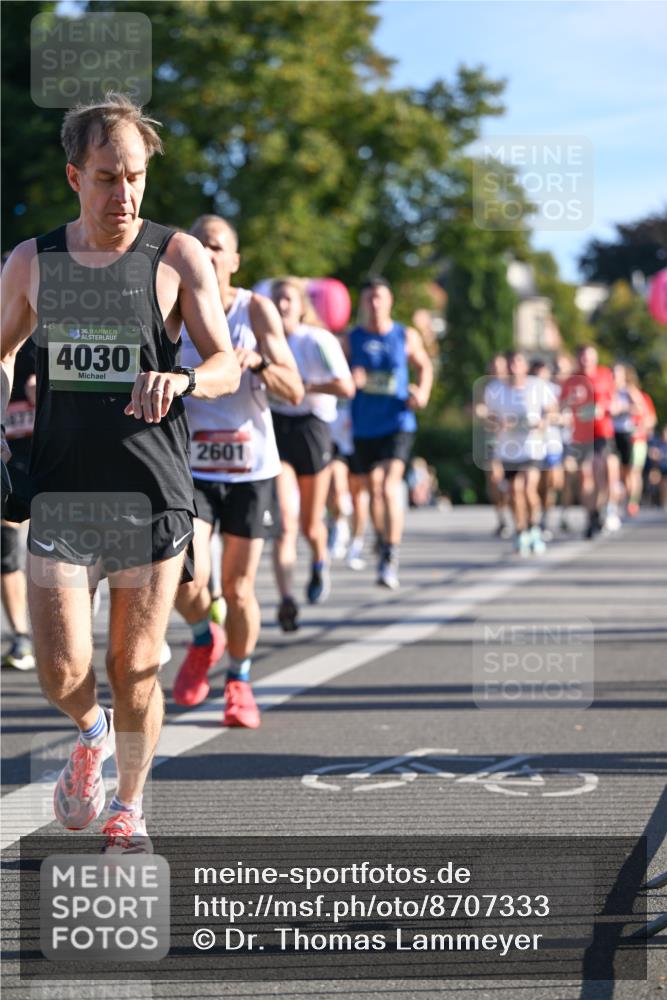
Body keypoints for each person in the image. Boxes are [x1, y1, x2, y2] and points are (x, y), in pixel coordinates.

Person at [0, 94, 240, 851]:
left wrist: (187, 381)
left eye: (135, 177)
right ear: (75, 177)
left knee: (135, 661)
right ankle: (90, 731)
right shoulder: (34, 260)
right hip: (64, 494)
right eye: (107, 178)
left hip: (151, 493)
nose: (124, 195)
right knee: (61, 668)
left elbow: (227, 363)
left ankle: (129, 806)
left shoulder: (175, 256)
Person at [171, 219, 303, 720]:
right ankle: (205, 637)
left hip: (251, 470)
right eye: (197, 244)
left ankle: (240, 680)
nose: (205, 251)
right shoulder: (172, 307)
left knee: (239, 588)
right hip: (194, 468)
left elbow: (296, 389)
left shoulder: (255, 309)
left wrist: (262, 363)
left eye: (216, 246)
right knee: (185, 577)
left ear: (233, 260)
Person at [270, 277, 354, 630]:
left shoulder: (316, 340)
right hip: (276, 426)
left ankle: (320, 560)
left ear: (302, 305)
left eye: (288, 299)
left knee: (309, 524)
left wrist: (305, 386)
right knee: (284, 522)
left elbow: (346, 386)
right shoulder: (264, 340)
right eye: (275, 300)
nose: (281, 306)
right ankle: (286, 598)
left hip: (313, 428)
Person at [347, 277, 432, 589]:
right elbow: (335, 376)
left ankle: (390, 555)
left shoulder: (405, 335)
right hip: (364, 425)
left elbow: (424, 366)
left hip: (398, 422)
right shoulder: (351, 339)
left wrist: (421, 392)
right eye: (368, 298)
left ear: (390, 301)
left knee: (386, 484)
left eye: (379, 297)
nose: (374, 303)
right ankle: (383, 539)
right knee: (373, 488)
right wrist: (348, 379)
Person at [485, 351, 558, 556]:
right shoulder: (495, 389)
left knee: (528, 488)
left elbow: (552, 410)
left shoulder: (537, 386)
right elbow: (488, 417)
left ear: (525, 366)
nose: (512, 367)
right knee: (514, 493)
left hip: (532, 448)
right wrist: (497, 423)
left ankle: (534, 526)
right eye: (509, 363)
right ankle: (520, 530)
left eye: (517, 363)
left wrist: (543, 422)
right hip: (507, 451)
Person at [1, 337, 36, 669]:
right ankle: (21, 636)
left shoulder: (60, 311)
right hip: (8, 452)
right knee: (6, 540)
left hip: (52, 452)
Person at [560, 346, 617, 538]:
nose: (586, 361)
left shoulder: (604, 374)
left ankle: (601, 508)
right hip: (581, 435)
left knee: (603, 472)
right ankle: (590, 516)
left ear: (595, 358)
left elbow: (615, 403)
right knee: (586, 476)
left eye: (589, 357)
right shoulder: (571, 380)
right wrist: (570, 401)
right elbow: (560, 407)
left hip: (602, 432)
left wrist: (603, 408)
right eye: (582, 357)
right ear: (578, 359)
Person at [480, 353, 511, 539]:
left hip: (516, 443)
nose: (496, 370)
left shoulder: (516, 387)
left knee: (513, 485)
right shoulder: (486, 387)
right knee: (493, 479)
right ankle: (501, 519)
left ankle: (516, 514)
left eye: (499, 366)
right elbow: (479, 409)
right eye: (493, 367)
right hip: (493, 440)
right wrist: (487, 416)